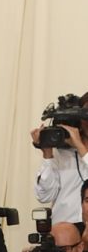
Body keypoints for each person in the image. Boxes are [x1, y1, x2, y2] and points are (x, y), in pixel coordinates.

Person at [32, 92, 88, 225]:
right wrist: (47, 154)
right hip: (64, 230)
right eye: (85, 115)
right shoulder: (61, 152)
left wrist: (80, 146)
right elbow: (44, 196)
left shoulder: (78, 146)